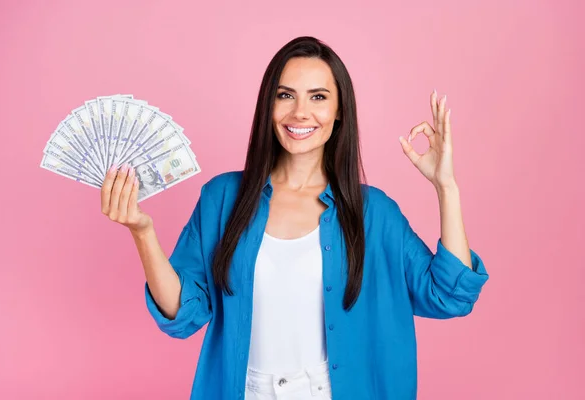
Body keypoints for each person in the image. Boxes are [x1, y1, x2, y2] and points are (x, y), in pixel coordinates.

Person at [100, 36, 489, 400]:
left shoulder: (373, 213)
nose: (300, 112)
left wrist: (446, 187)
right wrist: (142, 231)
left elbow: (449, 295)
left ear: (339, 112)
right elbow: (183, 314)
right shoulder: (223, 198)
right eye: (285, 95)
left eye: (318, 97)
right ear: (269, 104)